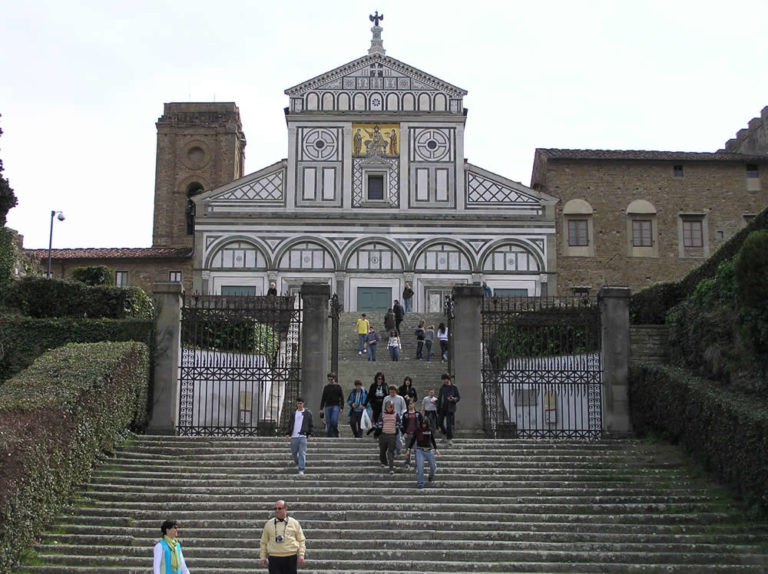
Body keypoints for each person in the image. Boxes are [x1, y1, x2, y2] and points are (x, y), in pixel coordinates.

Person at [259, 499, 306, 573]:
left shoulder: (294, 523)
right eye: (275, 508)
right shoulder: (268, 524)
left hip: (290, 557)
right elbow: (264, 542)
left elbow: (301, 540)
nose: (277, 510)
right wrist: (263, 557)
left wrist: (301, 554)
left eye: (279, 508)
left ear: (285, 509)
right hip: (274, 558)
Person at [405, 418, 440, 488]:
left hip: (429, 450)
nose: (423, 425)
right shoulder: (417, 430)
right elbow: (413, 440)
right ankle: (420, 483)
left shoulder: (430, 430)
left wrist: (436, 449)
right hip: (419, 450)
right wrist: (408, 449)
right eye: (422, 423)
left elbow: (432, 440)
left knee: (433, 466)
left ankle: (431, 475)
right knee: (420, 467)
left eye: (425, 424)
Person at [285, 397, 312, 475]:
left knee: (302, 452)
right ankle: (298, 463)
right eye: (298, 403)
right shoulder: (293, 413)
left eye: (301, 403)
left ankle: (301, 468)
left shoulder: (307, 413)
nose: (299, 405)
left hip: (303, 436)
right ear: (296, 404)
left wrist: (309, 434)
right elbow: (290, 423)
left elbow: (310, 424)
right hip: (294, 436)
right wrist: (287, 433)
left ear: (303, 404)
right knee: (294, 452)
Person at [376, 401, 401, 474]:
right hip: (383, 435)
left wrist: (396, 428)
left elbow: (399, 423)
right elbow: (379, 423)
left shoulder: (396, 414)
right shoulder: (382, 414)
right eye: (387, 407)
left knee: (391, 452)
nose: (389, 408)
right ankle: (383, 462)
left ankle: (391, 468)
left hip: (392, 436)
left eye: (390, 407)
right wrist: (379, 427)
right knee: (382, 451)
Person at [382, 385, 407, 454]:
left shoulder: (400, 398)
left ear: (396, 391)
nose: (391, 394)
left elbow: (404, 408)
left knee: (398, 438)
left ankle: (398, 449)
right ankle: (390, 451)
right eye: (390, 392)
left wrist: (401, 416)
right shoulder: (386, 398)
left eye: (393, 392)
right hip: (388, 421)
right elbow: (383, 410)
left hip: (397, 420)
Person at [437, 373, 460, 446]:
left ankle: (449, 439)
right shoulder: (442, 388)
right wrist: (436, 403)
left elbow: (458, 397)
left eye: (444, 379)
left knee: (449, 424)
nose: (443, 381)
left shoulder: (454, 387)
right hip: (442, 408)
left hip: (450, 408)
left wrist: (453, 399)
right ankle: (444, 434)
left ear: (448, 379)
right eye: (442, 380)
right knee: (439, 422)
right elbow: (440, 398)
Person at [319, 373, 344, 437]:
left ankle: (336, 432)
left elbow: (342, 397)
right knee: (328, 422)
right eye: (329, 379)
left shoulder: (338, 387)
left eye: (331, 379)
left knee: (334, 421)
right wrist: (321, 408)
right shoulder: (326, 387)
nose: (330, 380)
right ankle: (329, 435)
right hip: (327, 406)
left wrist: (341, 407)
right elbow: (323, 398)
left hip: (336, 405)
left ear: (334, 379)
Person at [400, 400, 422, 468]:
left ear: (414, 404)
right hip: (408, 433)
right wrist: (404, 433)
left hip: (416, 434)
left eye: (411, 404)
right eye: (409, 404)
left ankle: (417, 463)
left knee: (416, 449)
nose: (410, 405)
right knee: (407, 449)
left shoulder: (418, 414)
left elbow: (422, 423)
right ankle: (407, 462)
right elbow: (402, 425)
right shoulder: (405, 414)